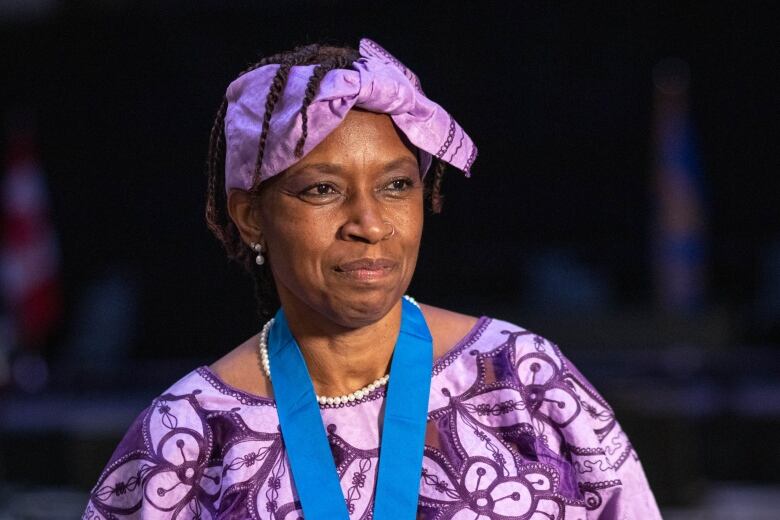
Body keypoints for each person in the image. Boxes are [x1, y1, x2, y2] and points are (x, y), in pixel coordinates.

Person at [83, 39, 662, 520]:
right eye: (322, 189)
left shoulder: (524, 382)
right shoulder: (187, 437)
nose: (370, 224)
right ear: (251, 215)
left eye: (395, 186)